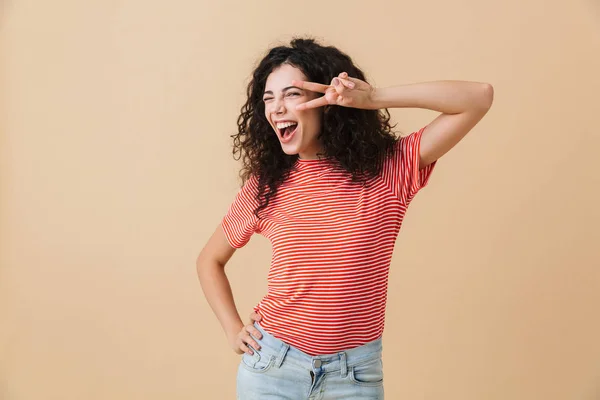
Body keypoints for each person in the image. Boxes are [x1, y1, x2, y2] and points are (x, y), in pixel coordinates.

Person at [196, 37, 493, 399]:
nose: (276, 108)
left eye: (291, 94)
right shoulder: (266, 186)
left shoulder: (389, 170)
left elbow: (478, 97)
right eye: (268, 98)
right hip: (272, 368)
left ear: (327, 103)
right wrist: (232, 329)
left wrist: (372, 98)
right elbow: (209, 260)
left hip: (353, 377)